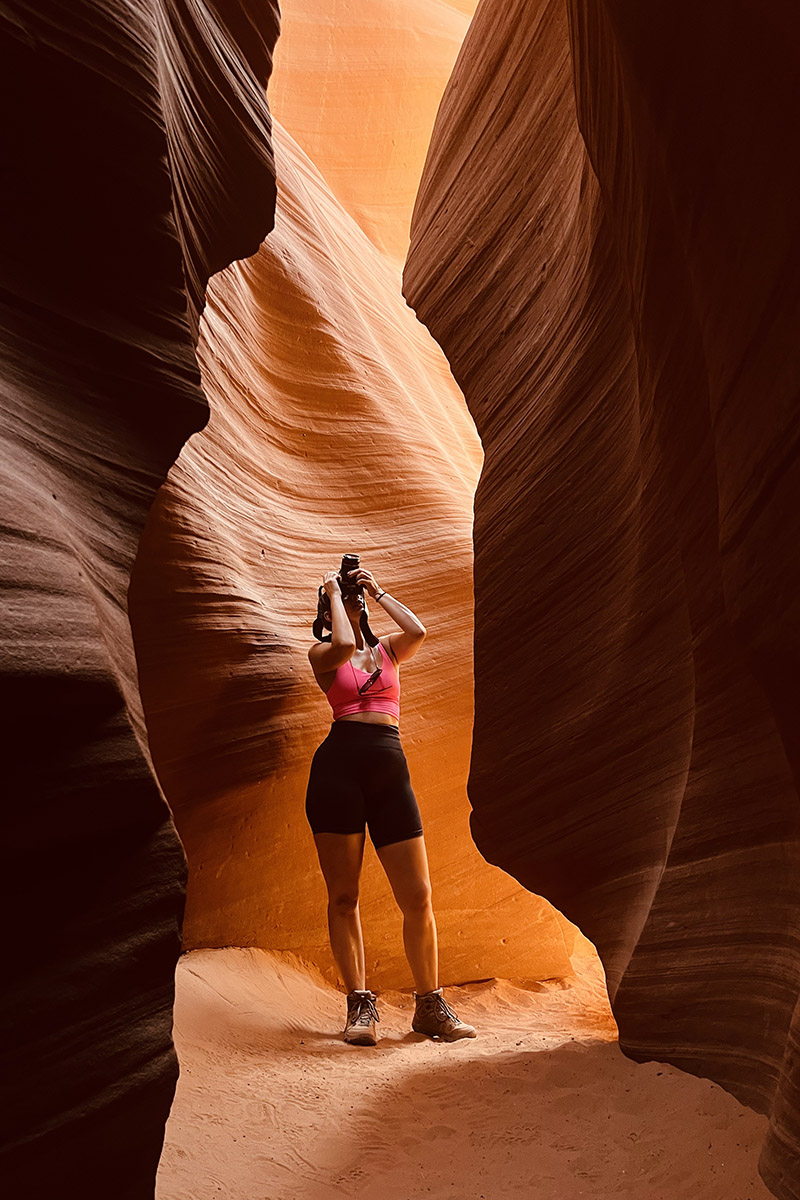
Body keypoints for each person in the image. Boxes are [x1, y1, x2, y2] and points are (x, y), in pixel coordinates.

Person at [305, 560, 476, 1046]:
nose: (354, 599)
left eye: (355, 595)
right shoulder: (323, 653)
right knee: (344, 896)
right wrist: (332, 592)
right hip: (338, 773)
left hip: (389, 772)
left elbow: (417, 630)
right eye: (345, 598)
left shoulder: (389, 651)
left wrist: (377, 591)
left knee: (418, 895)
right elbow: (342, 645)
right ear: (329, 610)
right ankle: (360, 1007)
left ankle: (430, 1006)